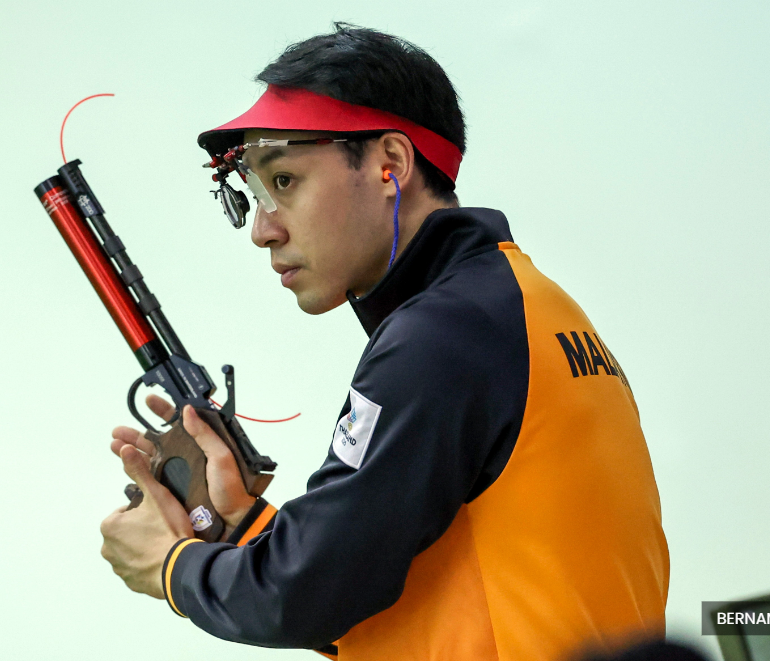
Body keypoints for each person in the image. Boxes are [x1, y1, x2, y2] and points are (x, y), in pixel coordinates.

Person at [100, 24, 670, 660]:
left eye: (283, 180)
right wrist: (244, 527)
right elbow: (396, 597)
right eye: (253, 194)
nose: (263, 229)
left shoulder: (442, 335)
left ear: (389, 165)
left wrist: (173, 566)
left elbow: (304, 594)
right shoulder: (524, 306)